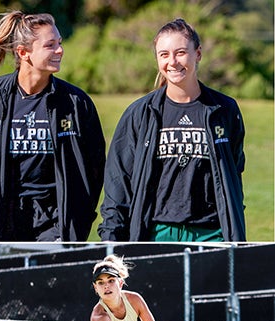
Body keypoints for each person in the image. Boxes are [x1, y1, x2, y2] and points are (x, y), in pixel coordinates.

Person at [0, 11, 105, 242]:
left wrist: (79, 216)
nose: (60, 50)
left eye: (60, 43)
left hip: (55, 222)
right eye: (50, 45)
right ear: (24, 53)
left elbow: (95, 167)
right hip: (3, 219)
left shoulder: (76, 102)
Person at [98, 18, 246, 242]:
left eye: (180, 52)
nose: (173, 62)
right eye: (164, 54)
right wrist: (112, 239)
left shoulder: (225, 110)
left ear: (197, 54)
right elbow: (118, 183)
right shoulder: (140, 113)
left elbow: (234, 173)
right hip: (156, 232)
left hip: (212, 233)